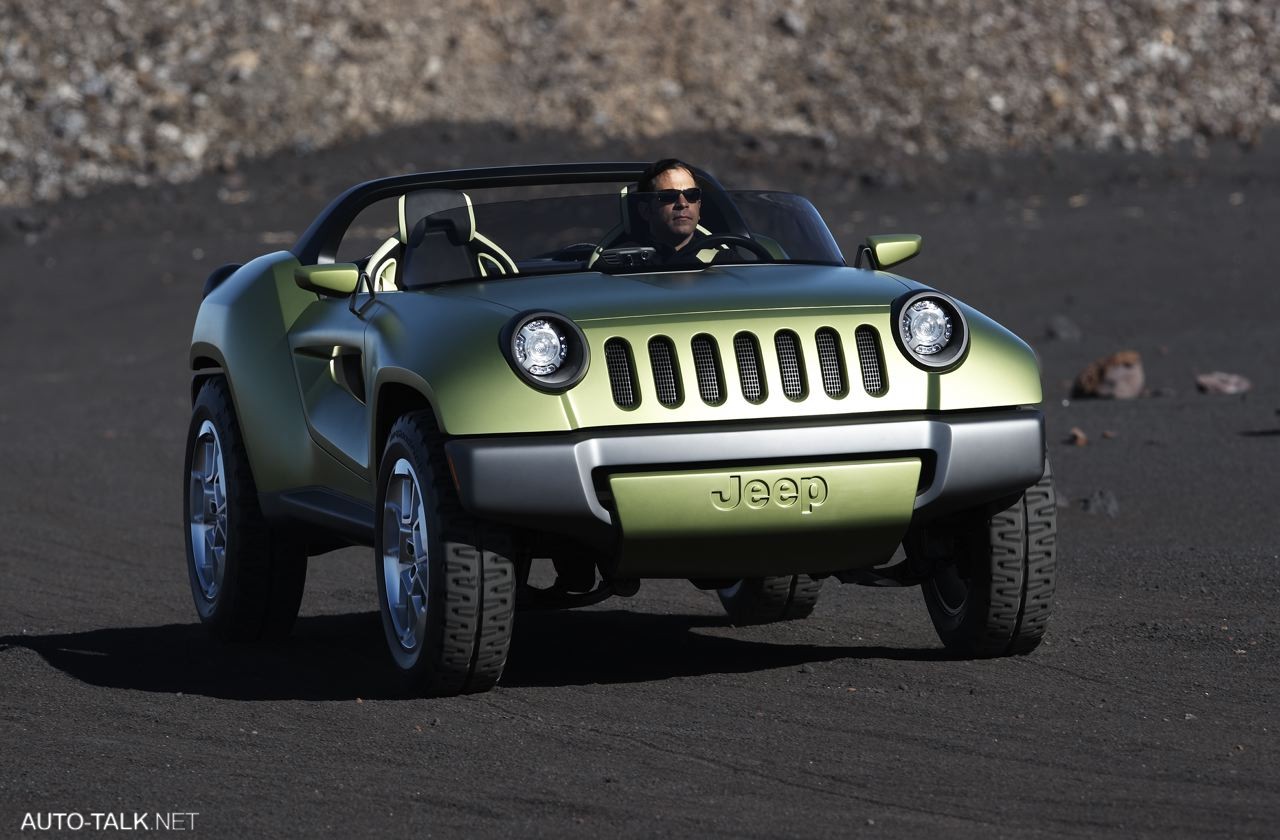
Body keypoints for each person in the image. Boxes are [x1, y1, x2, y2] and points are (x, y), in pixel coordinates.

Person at [634, 158, 706, 258]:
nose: (683, 203)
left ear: (699, 205)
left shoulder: (726, 261)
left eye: (691, 194)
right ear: (645, 210)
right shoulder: (624, 265)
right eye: (669, 195)